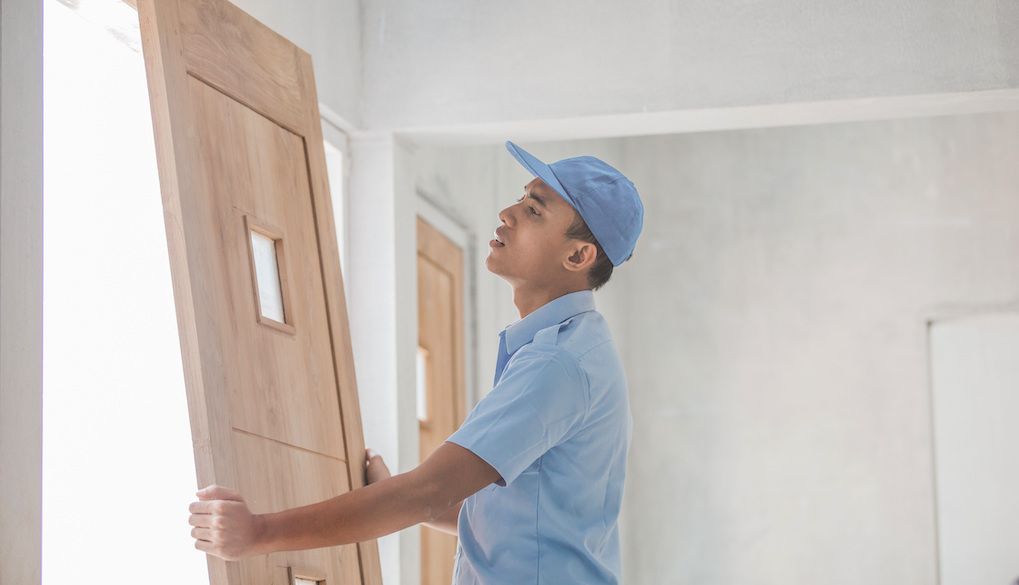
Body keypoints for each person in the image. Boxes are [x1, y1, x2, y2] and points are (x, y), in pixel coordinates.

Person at [187, 140, 644, 584]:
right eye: (521, 198)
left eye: (533, 210)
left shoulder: (557, 364)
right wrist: (391, 489)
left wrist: (257, 533)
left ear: (578, 255)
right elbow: (507, 517)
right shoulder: (571, 349)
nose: (508, 213)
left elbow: (429, 493)